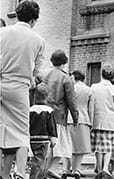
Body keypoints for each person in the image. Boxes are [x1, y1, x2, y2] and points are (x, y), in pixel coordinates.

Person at [0, 1, 45, 178]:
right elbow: (36, 71)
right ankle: (19, 173)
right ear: (34, 20)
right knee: (21, 131)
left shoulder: (2, 33)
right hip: (19, 86)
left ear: (17, 15)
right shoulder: (38, 40)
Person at [43, 50, 78, 179]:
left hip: (41, 114)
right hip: (58, 115)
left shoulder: (42, 74)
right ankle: (51, 168)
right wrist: (75, 118)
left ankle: (44, 169)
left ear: (51, 60)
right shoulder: (66, 78)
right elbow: (71, 100)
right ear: (64, 63)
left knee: (44, 143)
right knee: (59, 144)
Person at [89, 64, 114, 179]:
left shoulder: (94, 87)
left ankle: (99, 169)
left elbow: (91, 105)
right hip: (110, 121)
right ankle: (106, 168)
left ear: (101, 74)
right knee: (108, 146)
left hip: (97, 120)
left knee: (98, 146)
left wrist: (91, 121)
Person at [68, 70, 93, 179]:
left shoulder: (70, 88)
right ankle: (77, 169)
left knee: (69, 146)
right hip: (83, 118)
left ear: (74, 77)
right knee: (80, 147)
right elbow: (91, 107)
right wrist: (91, 121)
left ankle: (66, 169)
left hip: (69, 118)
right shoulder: (89, 90)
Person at [29, 83, 57, 179]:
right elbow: (51, 126)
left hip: (32, 138)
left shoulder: (30, 110)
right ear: (47, 96)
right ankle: (35, 176)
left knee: (36, 158)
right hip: (43, 139)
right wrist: (53, 138)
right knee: (41, 159)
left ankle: (39, 175)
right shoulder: (49, 110)